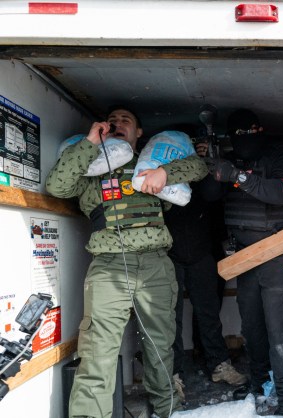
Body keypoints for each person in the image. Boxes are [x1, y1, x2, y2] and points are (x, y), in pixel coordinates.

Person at [46, 106, 209, 418]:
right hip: (108, 268)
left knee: (160, 347)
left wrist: (165, 173)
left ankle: (167, 409)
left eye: (126, 120)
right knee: (97, 353)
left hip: (156, 264)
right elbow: (57, 186)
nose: (118, 123)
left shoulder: (152, 163)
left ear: (139, 133)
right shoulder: (92, 168)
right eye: (112, 120)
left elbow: (198, 167)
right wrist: (91, 143)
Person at [198, 109, 283, 416]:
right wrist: (212, 168)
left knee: (280, 325)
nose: (248, 139)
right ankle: (261, 384)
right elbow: (208, 196)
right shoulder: (230, 160)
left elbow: (280, 193)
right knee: (253, 324)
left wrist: (236, 176)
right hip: (243, 254)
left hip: (278, 248)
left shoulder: (279, 154)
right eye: (241, 134)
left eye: (253, 131)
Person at [164, 181, 248, 400]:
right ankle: (172, 375)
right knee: (170, 317)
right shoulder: (158, 163)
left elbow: (215, 198)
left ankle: (219, 364)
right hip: (167, 251)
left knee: (209, 312)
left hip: (201, 249)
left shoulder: (200, 168)